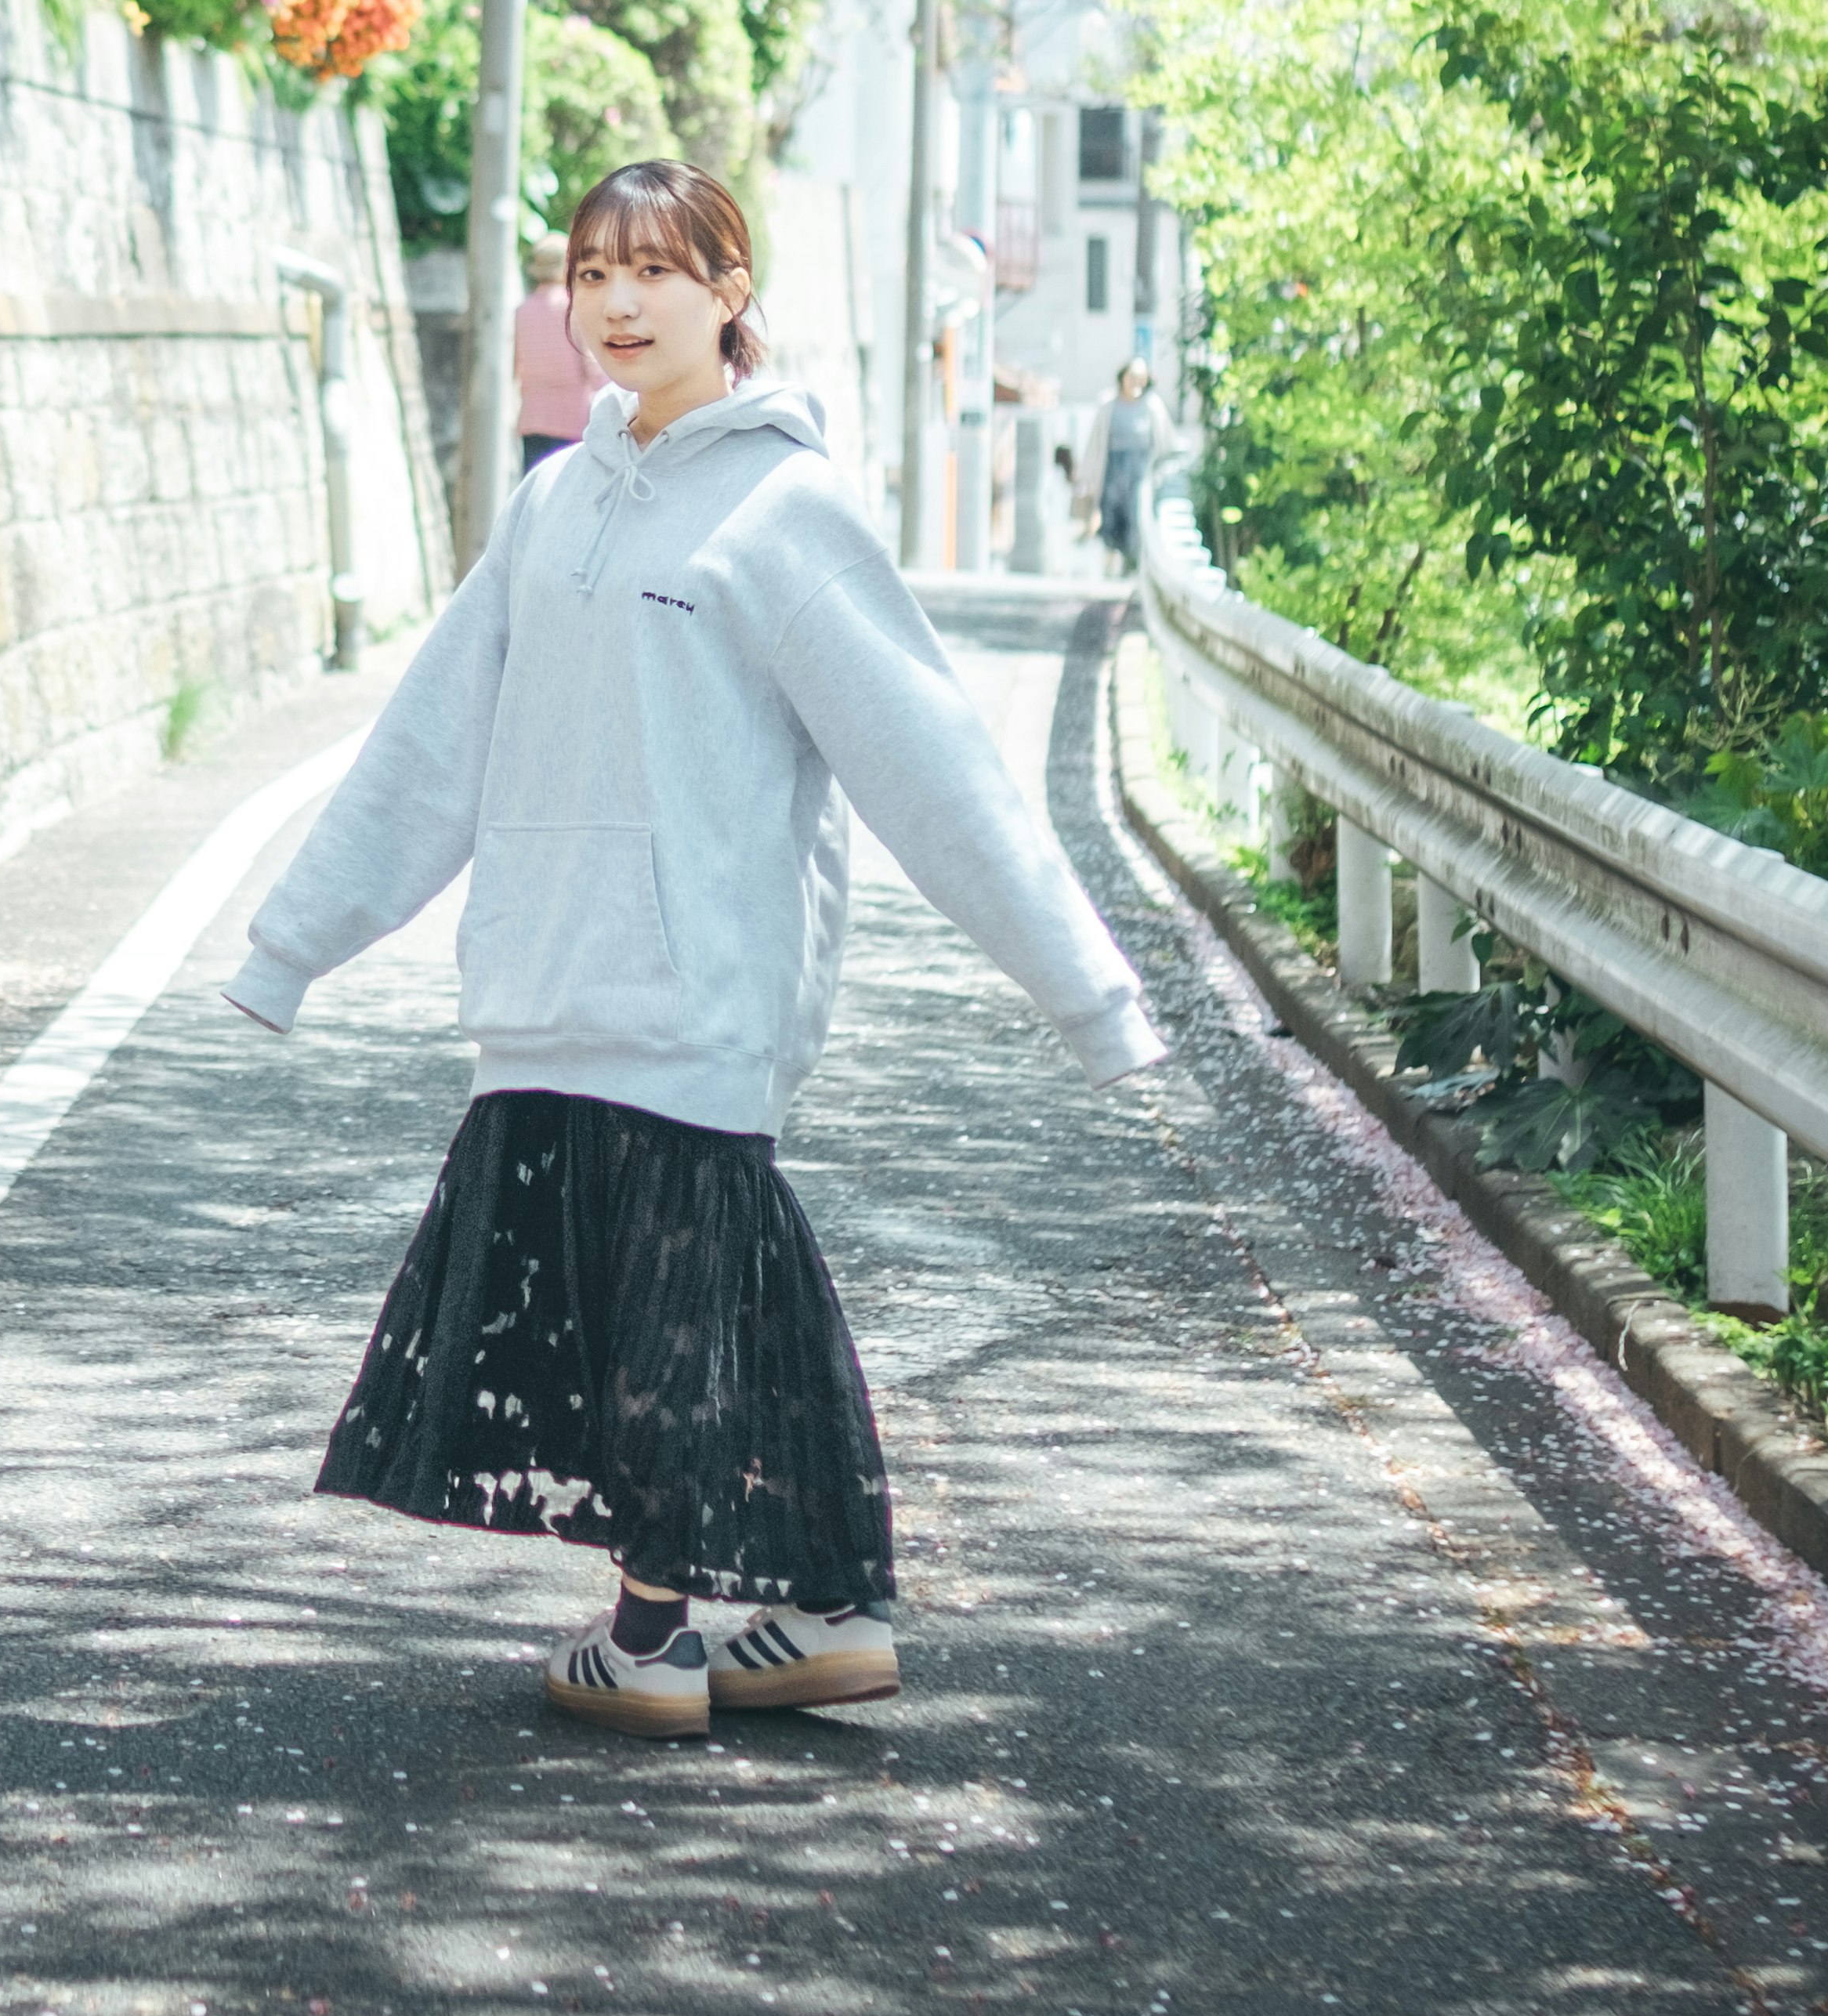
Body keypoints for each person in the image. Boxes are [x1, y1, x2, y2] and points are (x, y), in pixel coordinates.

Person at [222, 157, 1167, 1743]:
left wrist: (1093, 996)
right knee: (690, 1314)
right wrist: (291, 947)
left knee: (676, 1315)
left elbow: (933, 767)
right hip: (542, 1000)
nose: (619, 302)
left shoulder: (785, 511)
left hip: (698, 1000)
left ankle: (655, 1639)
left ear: (732, 291)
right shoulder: (552, 504)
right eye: (591, 272)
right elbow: (429, 747)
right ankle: (832, 1615)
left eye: (659, 269)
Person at [1080, 357, 1175, 570]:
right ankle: (1113, 559)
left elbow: (1166, 443)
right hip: (1113, 469)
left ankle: (1133, 563)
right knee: (1111, 514)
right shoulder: (1108, 405)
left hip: (1140, 470)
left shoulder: (1152, 406)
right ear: (1122, 378)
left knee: (1137, 515)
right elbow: (1095, 444)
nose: (1135, 382)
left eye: (1140, 378)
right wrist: (1086, 477)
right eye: (1131, 377)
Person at [511, 230, 595, 470]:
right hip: (573, 416)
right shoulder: (573, 307)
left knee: (537, 491)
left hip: (532, 416)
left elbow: (516, 367)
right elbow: (590, 364)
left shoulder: (522, 310)